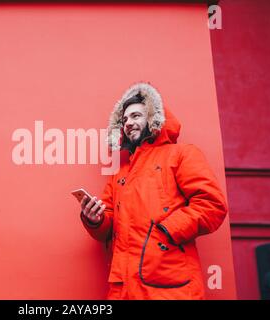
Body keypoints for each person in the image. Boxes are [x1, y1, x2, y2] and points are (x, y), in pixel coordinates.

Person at [80, 82, 228, 300]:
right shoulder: (119, 174)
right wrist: (95, 219)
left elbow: (212, 205)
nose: (128, 123)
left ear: (152, 118)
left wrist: (165, 231)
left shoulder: (182, 154)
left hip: (169, 285)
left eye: (136, 116)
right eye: (125, 120)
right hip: (124, 289)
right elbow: (107, 226)